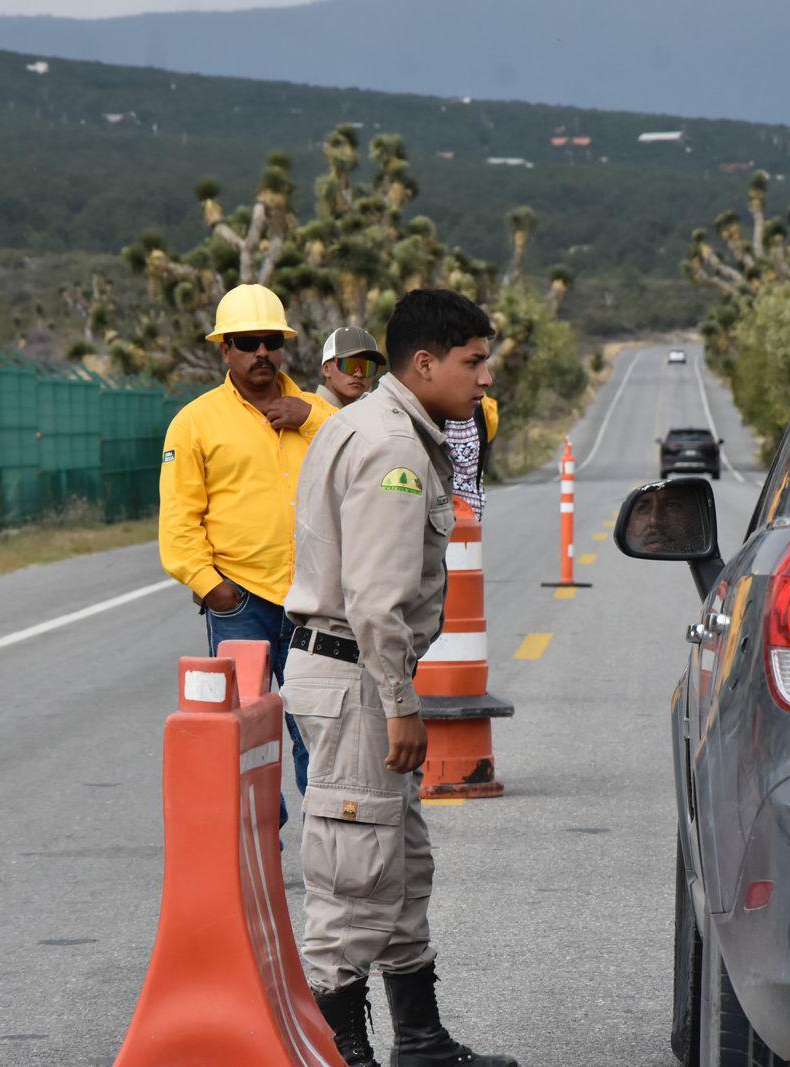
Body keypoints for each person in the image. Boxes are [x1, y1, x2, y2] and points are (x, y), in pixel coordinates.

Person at [283, 289, 517, 1067]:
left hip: (356, 673)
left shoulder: (373, 424)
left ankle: (419, 1038)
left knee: (399, 866)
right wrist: (403, 705)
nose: (484, 379)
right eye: (473, 361)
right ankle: (338, 1051)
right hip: (359, 679)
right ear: (424, 363)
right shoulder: (391, 448)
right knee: (355, 879)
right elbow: (378, 602)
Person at [158, 283, 334, 820]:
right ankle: (260, 836)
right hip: (242, 602)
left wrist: (308, 417)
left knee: (317, 726)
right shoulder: (195, 423)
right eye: (246, 341)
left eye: (270, 341)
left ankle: (325, 837)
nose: (261, 353)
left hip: (314, 597)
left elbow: (363, 450)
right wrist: (215, 589)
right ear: (224, 350)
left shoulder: (317, 414)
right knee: (247, 730)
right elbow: (179, 523)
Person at [444, 394, 498, 519]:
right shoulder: (480, 401)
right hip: (467, 511)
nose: (487, 381)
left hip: (457, 513)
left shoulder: (473, 402)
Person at [315, 325, 386, 408]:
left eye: (368, 367)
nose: (359, 374)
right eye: (349, 365)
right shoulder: (307, 414)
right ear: (326, 369)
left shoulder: (359, 415)